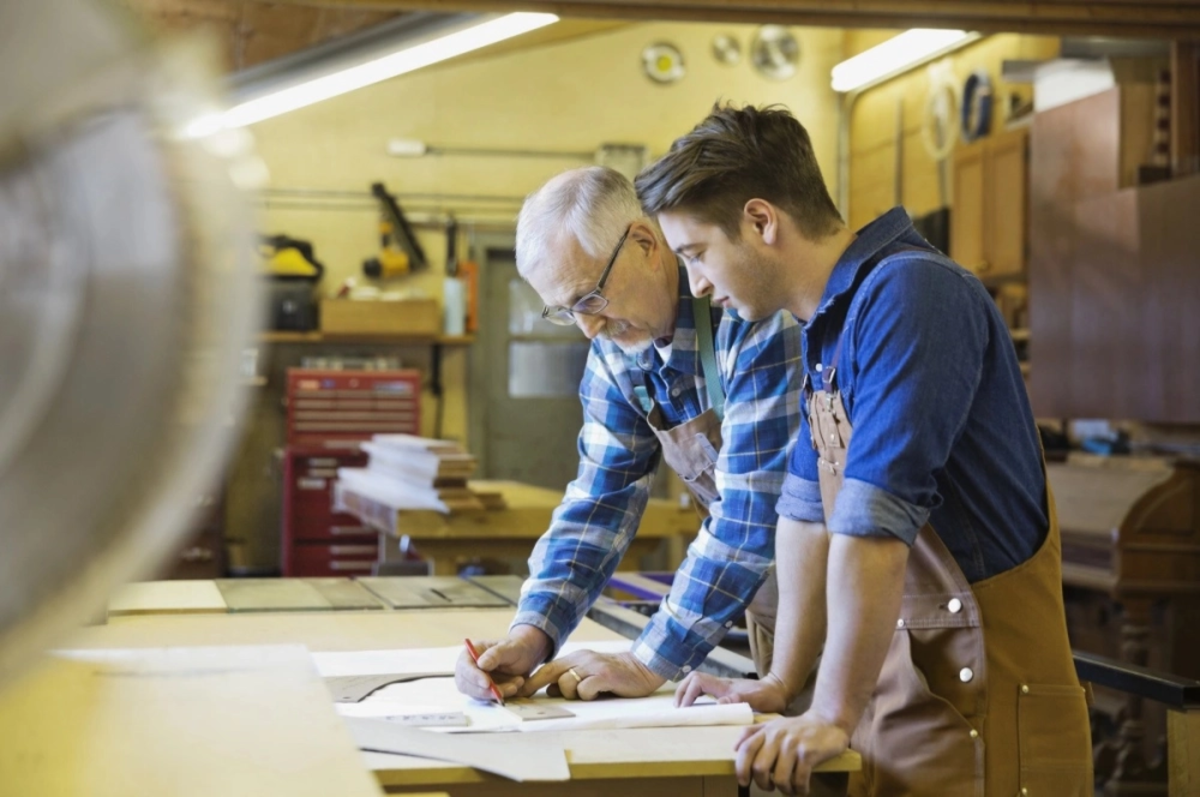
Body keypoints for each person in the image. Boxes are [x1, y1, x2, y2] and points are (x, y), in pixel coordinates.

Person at [635, 104, 1092, 796]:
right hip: (910, 694)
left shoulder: (913, 294)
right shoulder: (826, 327)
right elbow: (804, 517)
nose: (696, 285)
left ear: (762, 221)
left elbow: (873, 521)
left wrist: (829, 709)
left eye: (697, 255)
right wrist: (785, 680)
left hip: (988, 703)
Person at [454, 165, 803, 704]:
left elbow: (750, 512)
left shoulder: (751, 317)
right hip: (772, 612)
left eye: (591, 298)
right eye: (567, 312)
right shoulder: (618, 350)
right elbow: (600, 499)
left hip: (870, 610)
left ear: (644, 243)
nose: (589, 328)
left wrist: (645, 662)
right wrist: (533, 633)